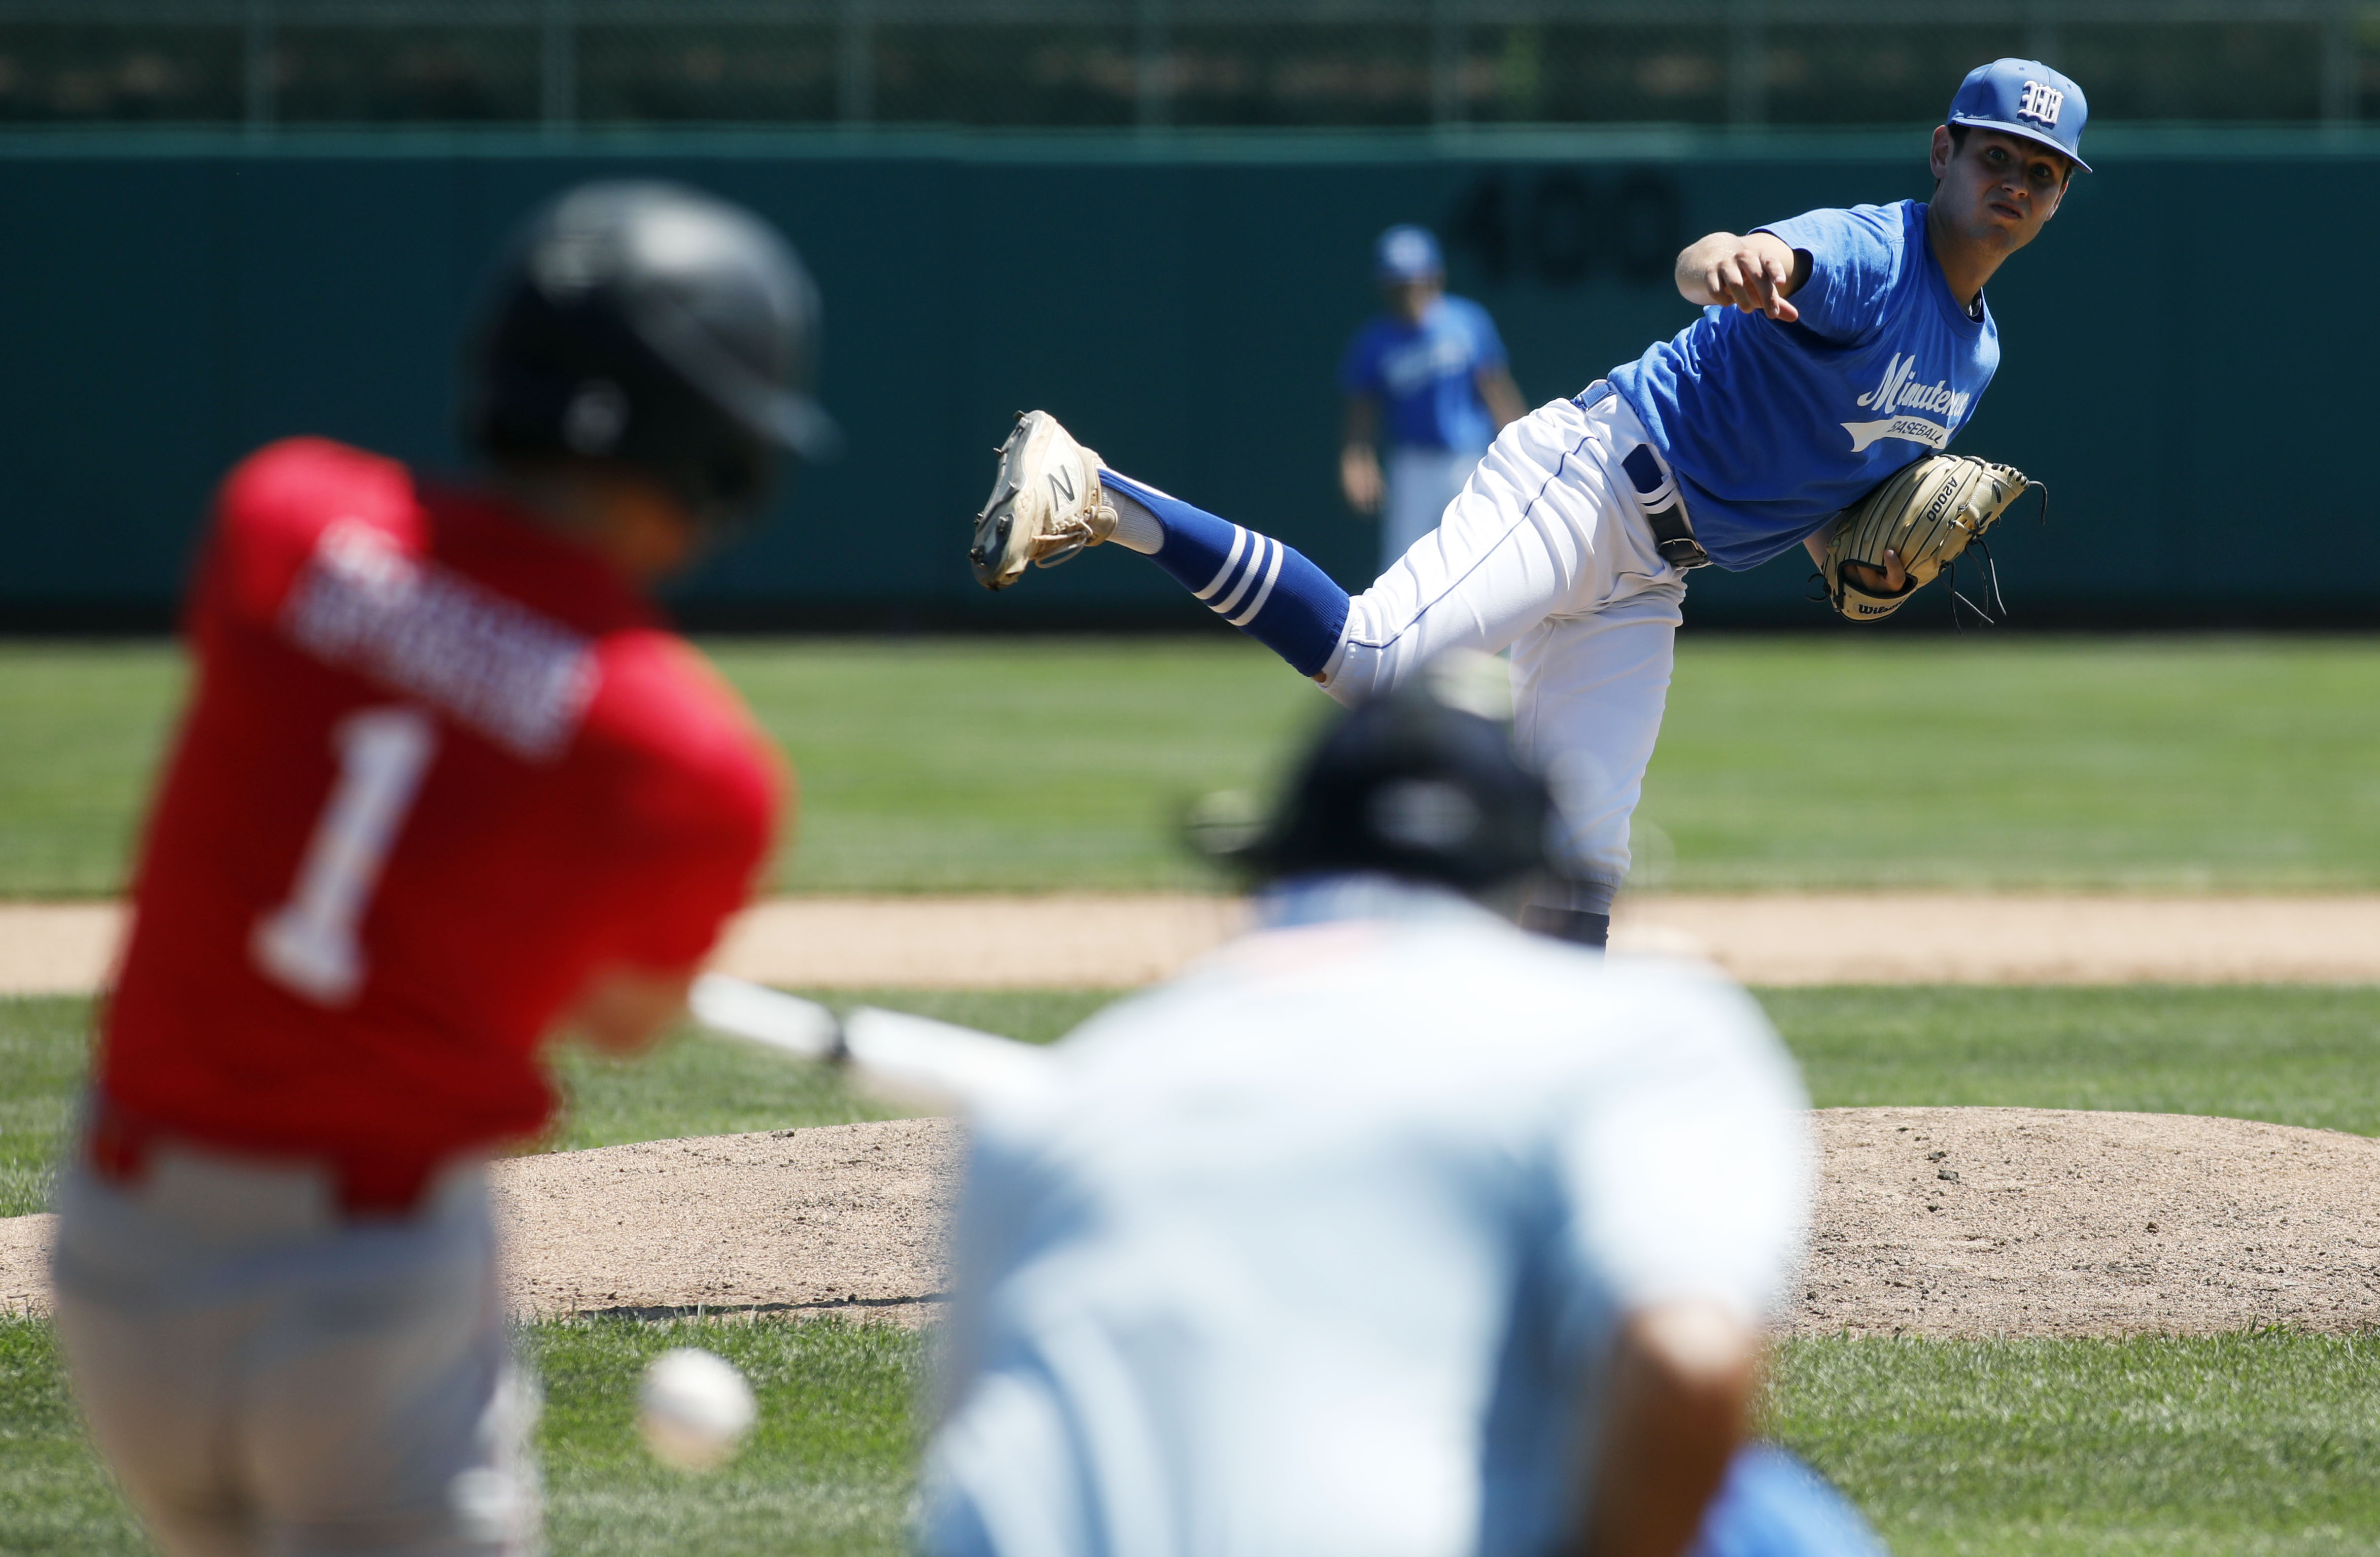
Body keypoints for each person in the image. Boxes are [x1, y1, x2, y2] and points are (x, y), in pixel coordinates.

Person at [49, 180, 835, 1557]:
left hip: (121, 1253)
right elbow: (622, 1016)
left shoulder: (277, 519)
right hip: (368, 1293)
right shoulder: (680, 754)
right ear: (708, 455)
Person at [967, 58, 2087, 948]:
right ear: (1941, 151)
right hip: (1589, 479)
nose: (2016, 184)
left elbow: (1832, 488)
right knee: (1368, 658)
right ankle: (1101, 492)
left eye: (2041, 173)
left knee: (1583, 857)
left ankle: (1528, 1095)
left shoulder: (1975, 354)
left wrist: (1866, 559)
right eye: (1996, 156)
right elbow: (1714, 260)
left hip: (1651, 575)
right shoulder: (1863, 253)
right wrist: (1733, 260)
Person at [920, 666, 1878, 1557]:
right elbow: (1686, 1364)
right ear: (1534, 884)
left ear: (1273, 869)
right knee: (1759, 1513)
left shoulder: (1061, 1093)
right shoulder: (1639, 1025)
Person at [1338, 225, 1526, 570]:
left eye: (1413, 282)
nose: (1407, 293)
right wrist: (1356, 459)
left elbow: (1495, 389)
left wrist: (1522, 444)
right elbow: (1362, 408)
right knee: (1401, 562)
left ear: (1433, 278)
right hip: (1412, 464)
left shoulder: (1467, 321)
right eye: (1397, 284)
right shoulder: (1375, 340)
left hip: (1469, 458)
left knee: (1482, 554)